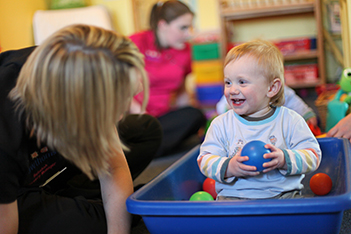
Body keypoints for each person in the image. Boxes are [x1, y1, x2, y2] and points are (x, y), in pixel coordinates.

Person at [0, 24, 162, 234]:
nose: (120, 116)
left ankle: (65, 200)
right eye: (115, 107)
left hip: (51, 172)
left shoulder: (75, 65)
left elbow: (113, 167)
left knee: (146, 129)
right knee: (130, 217)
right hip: (14, 196)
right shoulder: (5, 137)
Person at [197, 39, 321, 200]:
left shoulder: (290, 120)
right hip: (234, 197)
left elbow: (313, 155)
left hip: (283, 195)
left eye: (242, 82)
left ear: (271, 88)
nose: (232, 90)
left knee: (305, 215)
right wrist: (230, 167)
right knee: (221, 220)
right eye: (228, 82)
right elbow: (205, 159)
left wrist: (284, 159)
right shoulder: (221, 124)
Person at [129, 0, 207, 157]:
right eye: (183, 28)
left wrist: (193, 126)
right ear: (162, 25)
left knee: (195, 115)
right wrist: (142, 117)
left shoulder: (185, 51)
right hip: (135, 116)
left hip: (161, 119)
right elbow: (116, 87)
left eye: (190, 27)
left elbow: (181, 92)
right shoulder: (137, 42)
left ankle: (144, 151)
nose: (188, 34)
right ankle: (147, 149)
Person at [216, 82, 318, 127]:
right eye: (228, 82)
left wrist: (307, 115)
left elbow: (294, 102)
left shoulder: (282, 92)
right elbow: (221, 107)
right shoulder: (235, 92)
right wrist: (228, 108)